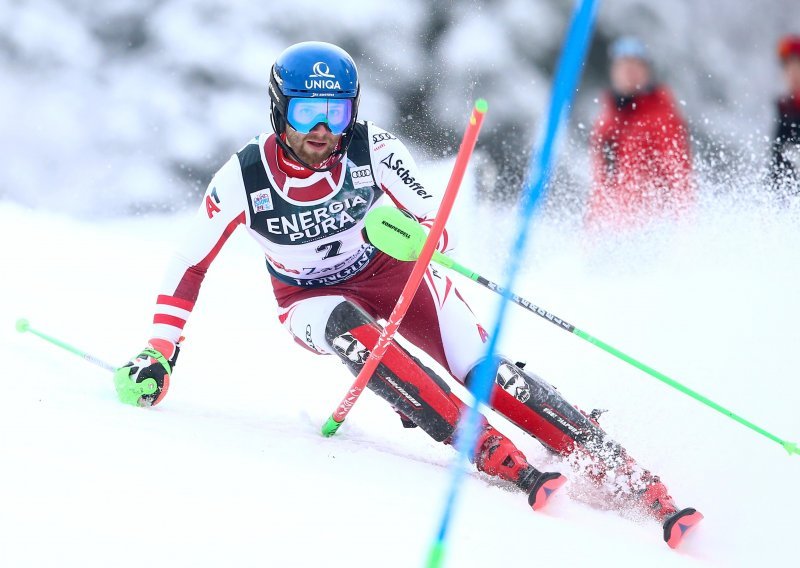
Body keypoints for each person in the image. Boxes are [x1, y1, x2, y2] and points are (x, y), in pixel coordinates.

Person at [114, 41, 700, 545]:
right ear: (279, 110)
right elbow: (189, 263)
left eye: (337, 111)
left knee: (482, 368)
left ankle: (626, 474)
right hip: (306, 301)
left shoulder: (374, 149)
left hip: (394, 272)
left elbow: (434, 222)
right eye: (307, 111)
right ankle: (491, 450)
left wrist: (422, 236)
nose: (323, 128)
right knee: (347, 325)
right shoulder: (244, 177)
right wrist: (161, 351)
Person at [586, 37, 693, 230]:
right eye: (623, 66)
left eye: (636, 66)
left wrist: (684, 227)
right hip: (610, 233)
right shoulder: (606, 121)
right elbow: (601, 186)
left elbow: (679, 176)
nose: (629, 73)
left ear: (647, 72)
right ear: (613, 71)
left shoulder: (662, 117)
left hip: (651, 232)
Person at [769, 34, 800, 198]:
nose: (793, 73)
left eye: (798, 66)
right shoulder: (784, 109)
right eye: (787, 67)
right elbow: (777, 164)